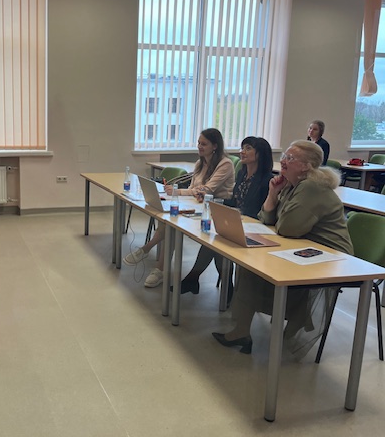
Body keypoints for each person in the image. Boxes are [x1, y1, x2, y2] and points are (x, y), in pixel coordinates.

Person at [212, 140, 352, 356]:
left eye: (290, 158)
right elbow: (267, 218)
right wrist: (272, 193)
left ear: (306, 166)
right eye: (284, 156)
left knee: (253, 268)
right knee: (249, 266)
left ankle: (249, 329)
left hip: (330, 255)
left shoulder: (311, 186)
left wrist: (278, 220)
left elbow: (288, 228)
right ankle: (243, 330)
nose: (283, 161)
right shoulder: (291, 184)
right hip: (302, 245)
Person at [123, 128, 234, 287]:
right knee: (170, 221)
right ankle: (157, 267)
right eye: (198, 143)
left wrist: (179, 191)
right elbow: (194, 189)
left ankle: (147, 252)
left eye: (204, 144)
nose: (199, 146)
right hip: (196, 204)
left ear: (215, 146)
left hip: (215, 209)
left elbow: (207, 190)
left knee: (173, 224)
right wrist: (191, 192)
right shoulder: (200, 163)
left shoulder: (225, 164)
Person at [177, 136, 274, 296]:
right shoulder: (242, 174)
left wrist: (238, 213)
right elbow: (234, 202)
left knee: (217, 242)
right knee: (216, 241)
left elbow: (259, 211)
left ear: (260, 154)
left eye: (248, 148)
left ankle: (199, 281)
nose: (242, 152)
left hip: (256, 228)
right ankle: (224, 287)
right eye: (242, 148)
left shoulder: (267, 180)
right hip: (240, 222)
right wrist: (212, 200)